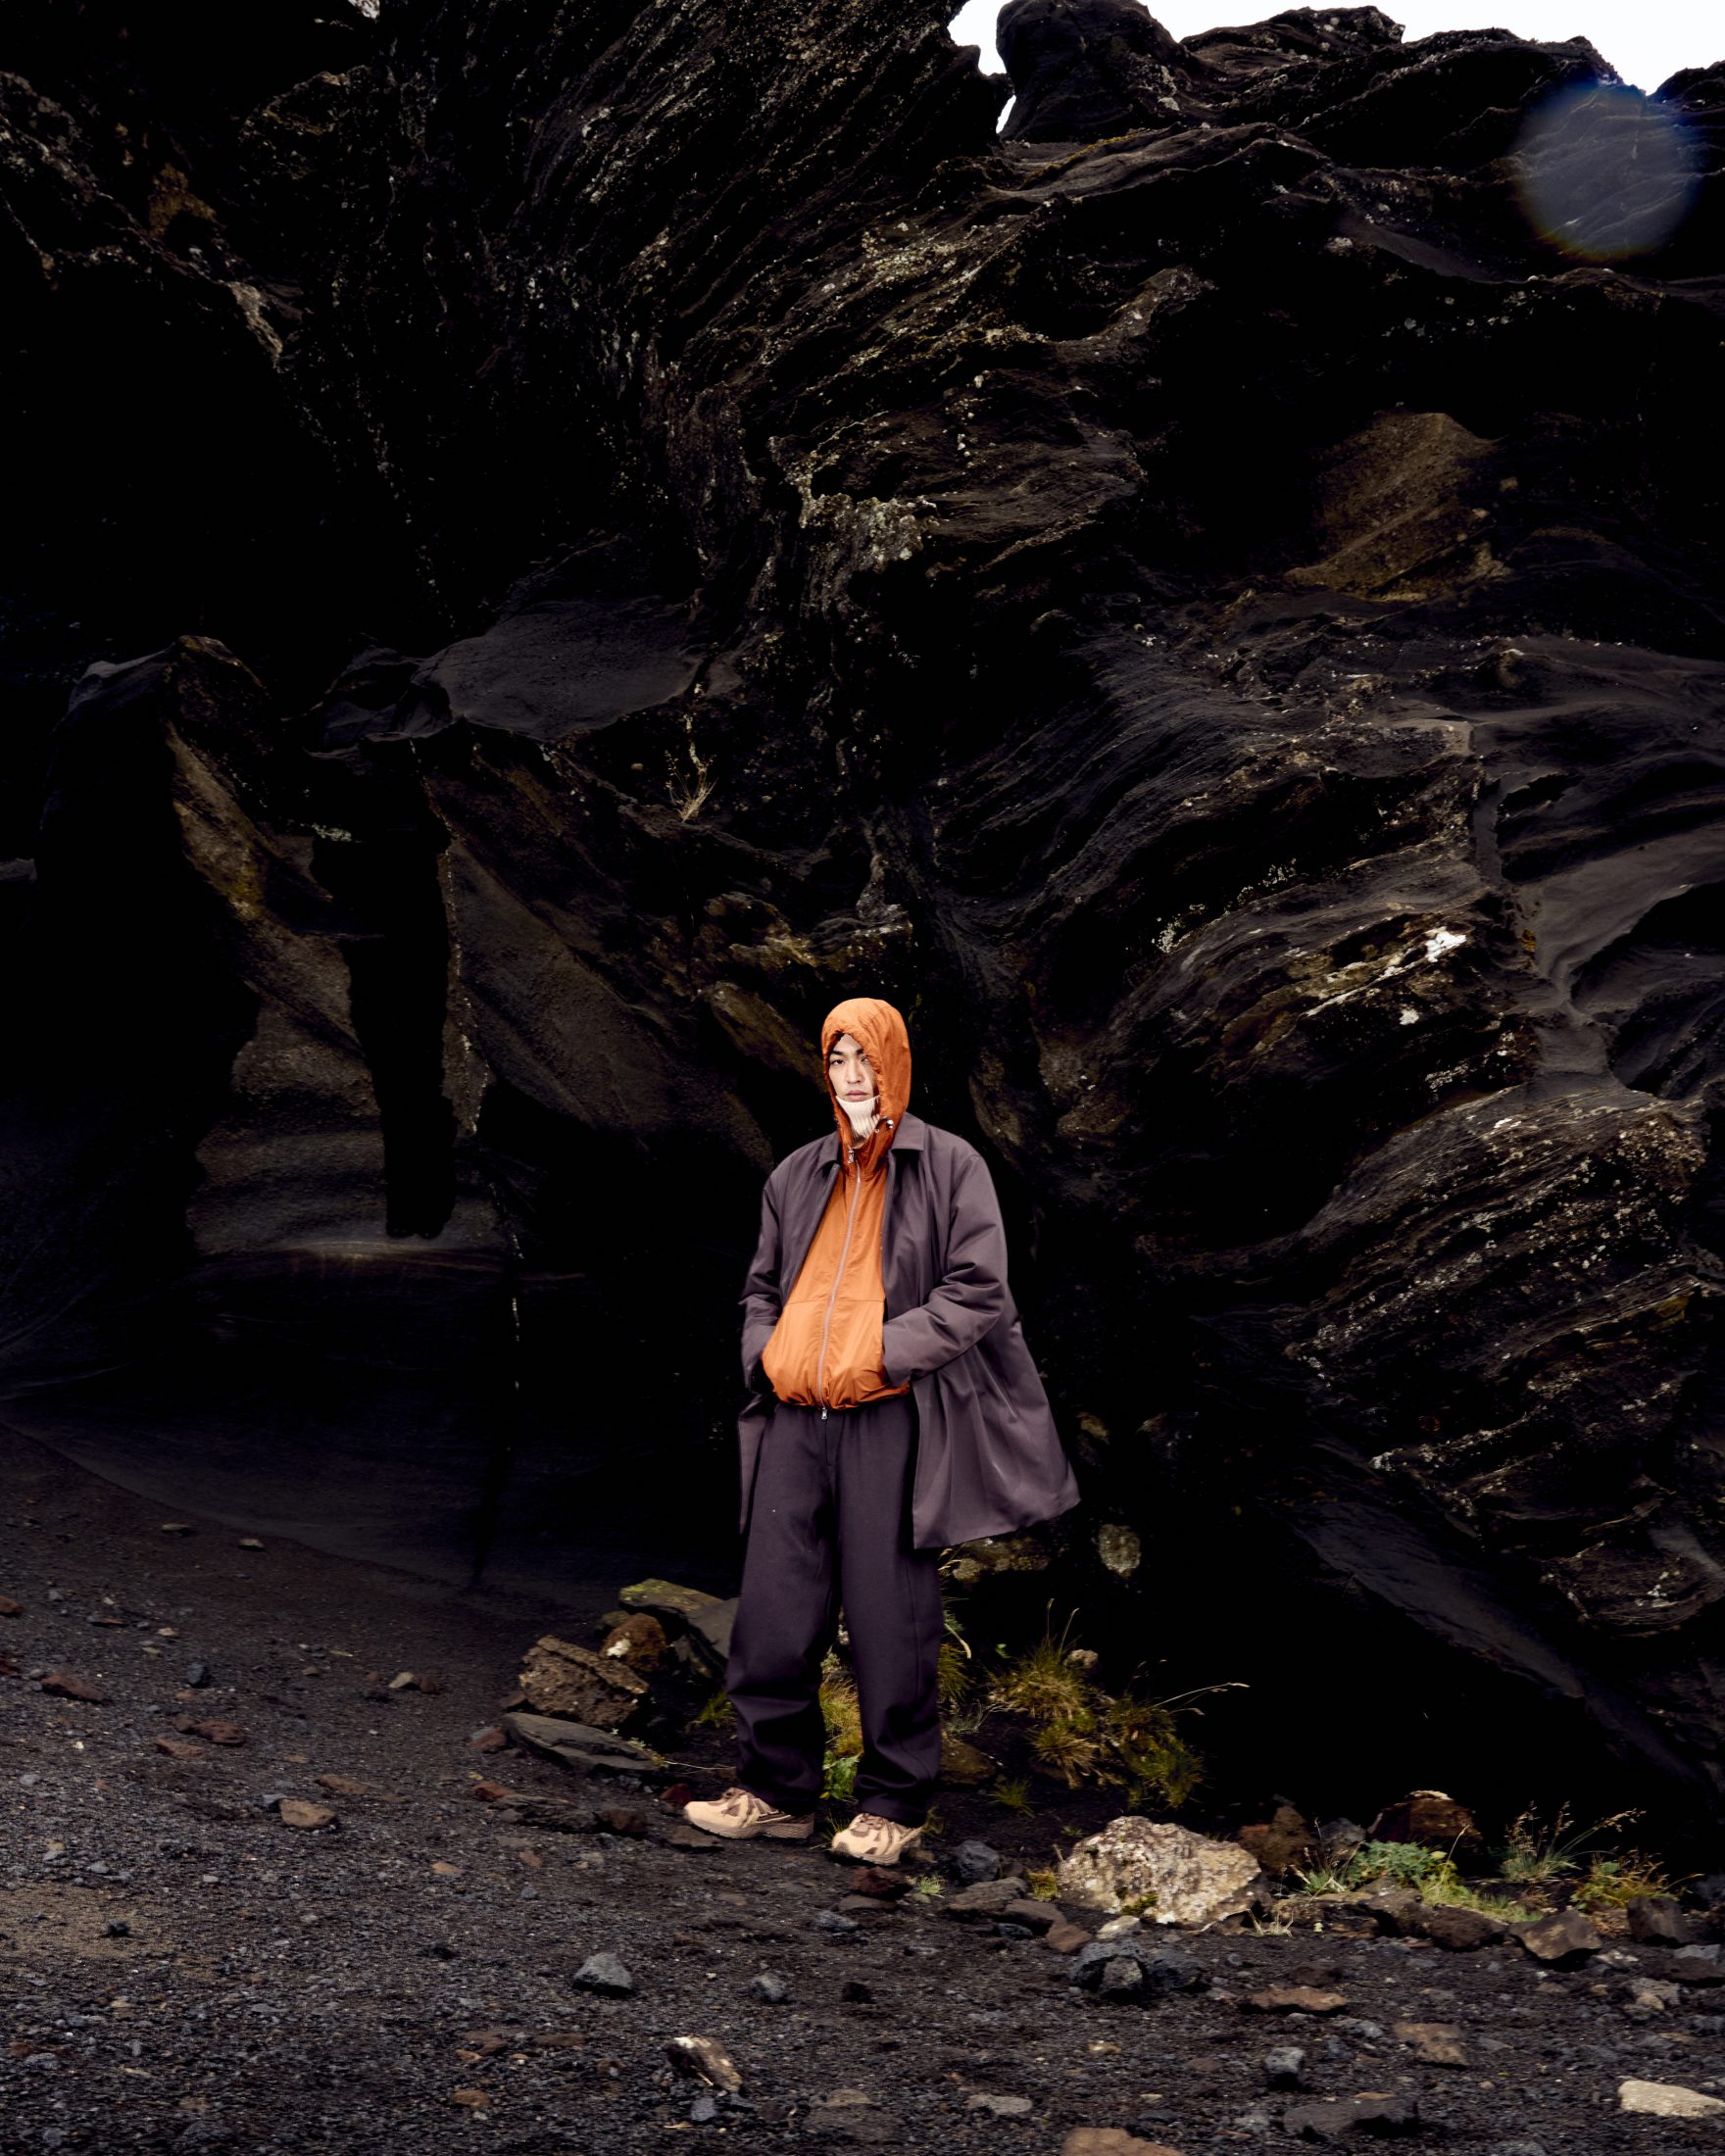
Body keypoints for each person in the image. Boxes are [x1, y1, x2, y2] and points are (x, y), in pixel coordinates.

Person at [684, 995, 1080, 1863]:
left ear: (894, 1062)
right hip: (796, 1418)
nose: (852, 1075)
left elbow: (977, 1290)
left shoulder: (950, 1165)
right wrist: (768, 1358)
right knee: (773, 1613)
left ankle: (893, 1804)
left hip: (890, 1418)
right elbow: (760, 1290)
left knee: (889, 1616)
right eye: (837, 1058)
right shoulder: (796, 1174)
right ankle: (775, 1792)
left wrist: (881, 1355)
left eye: (866, 1057)